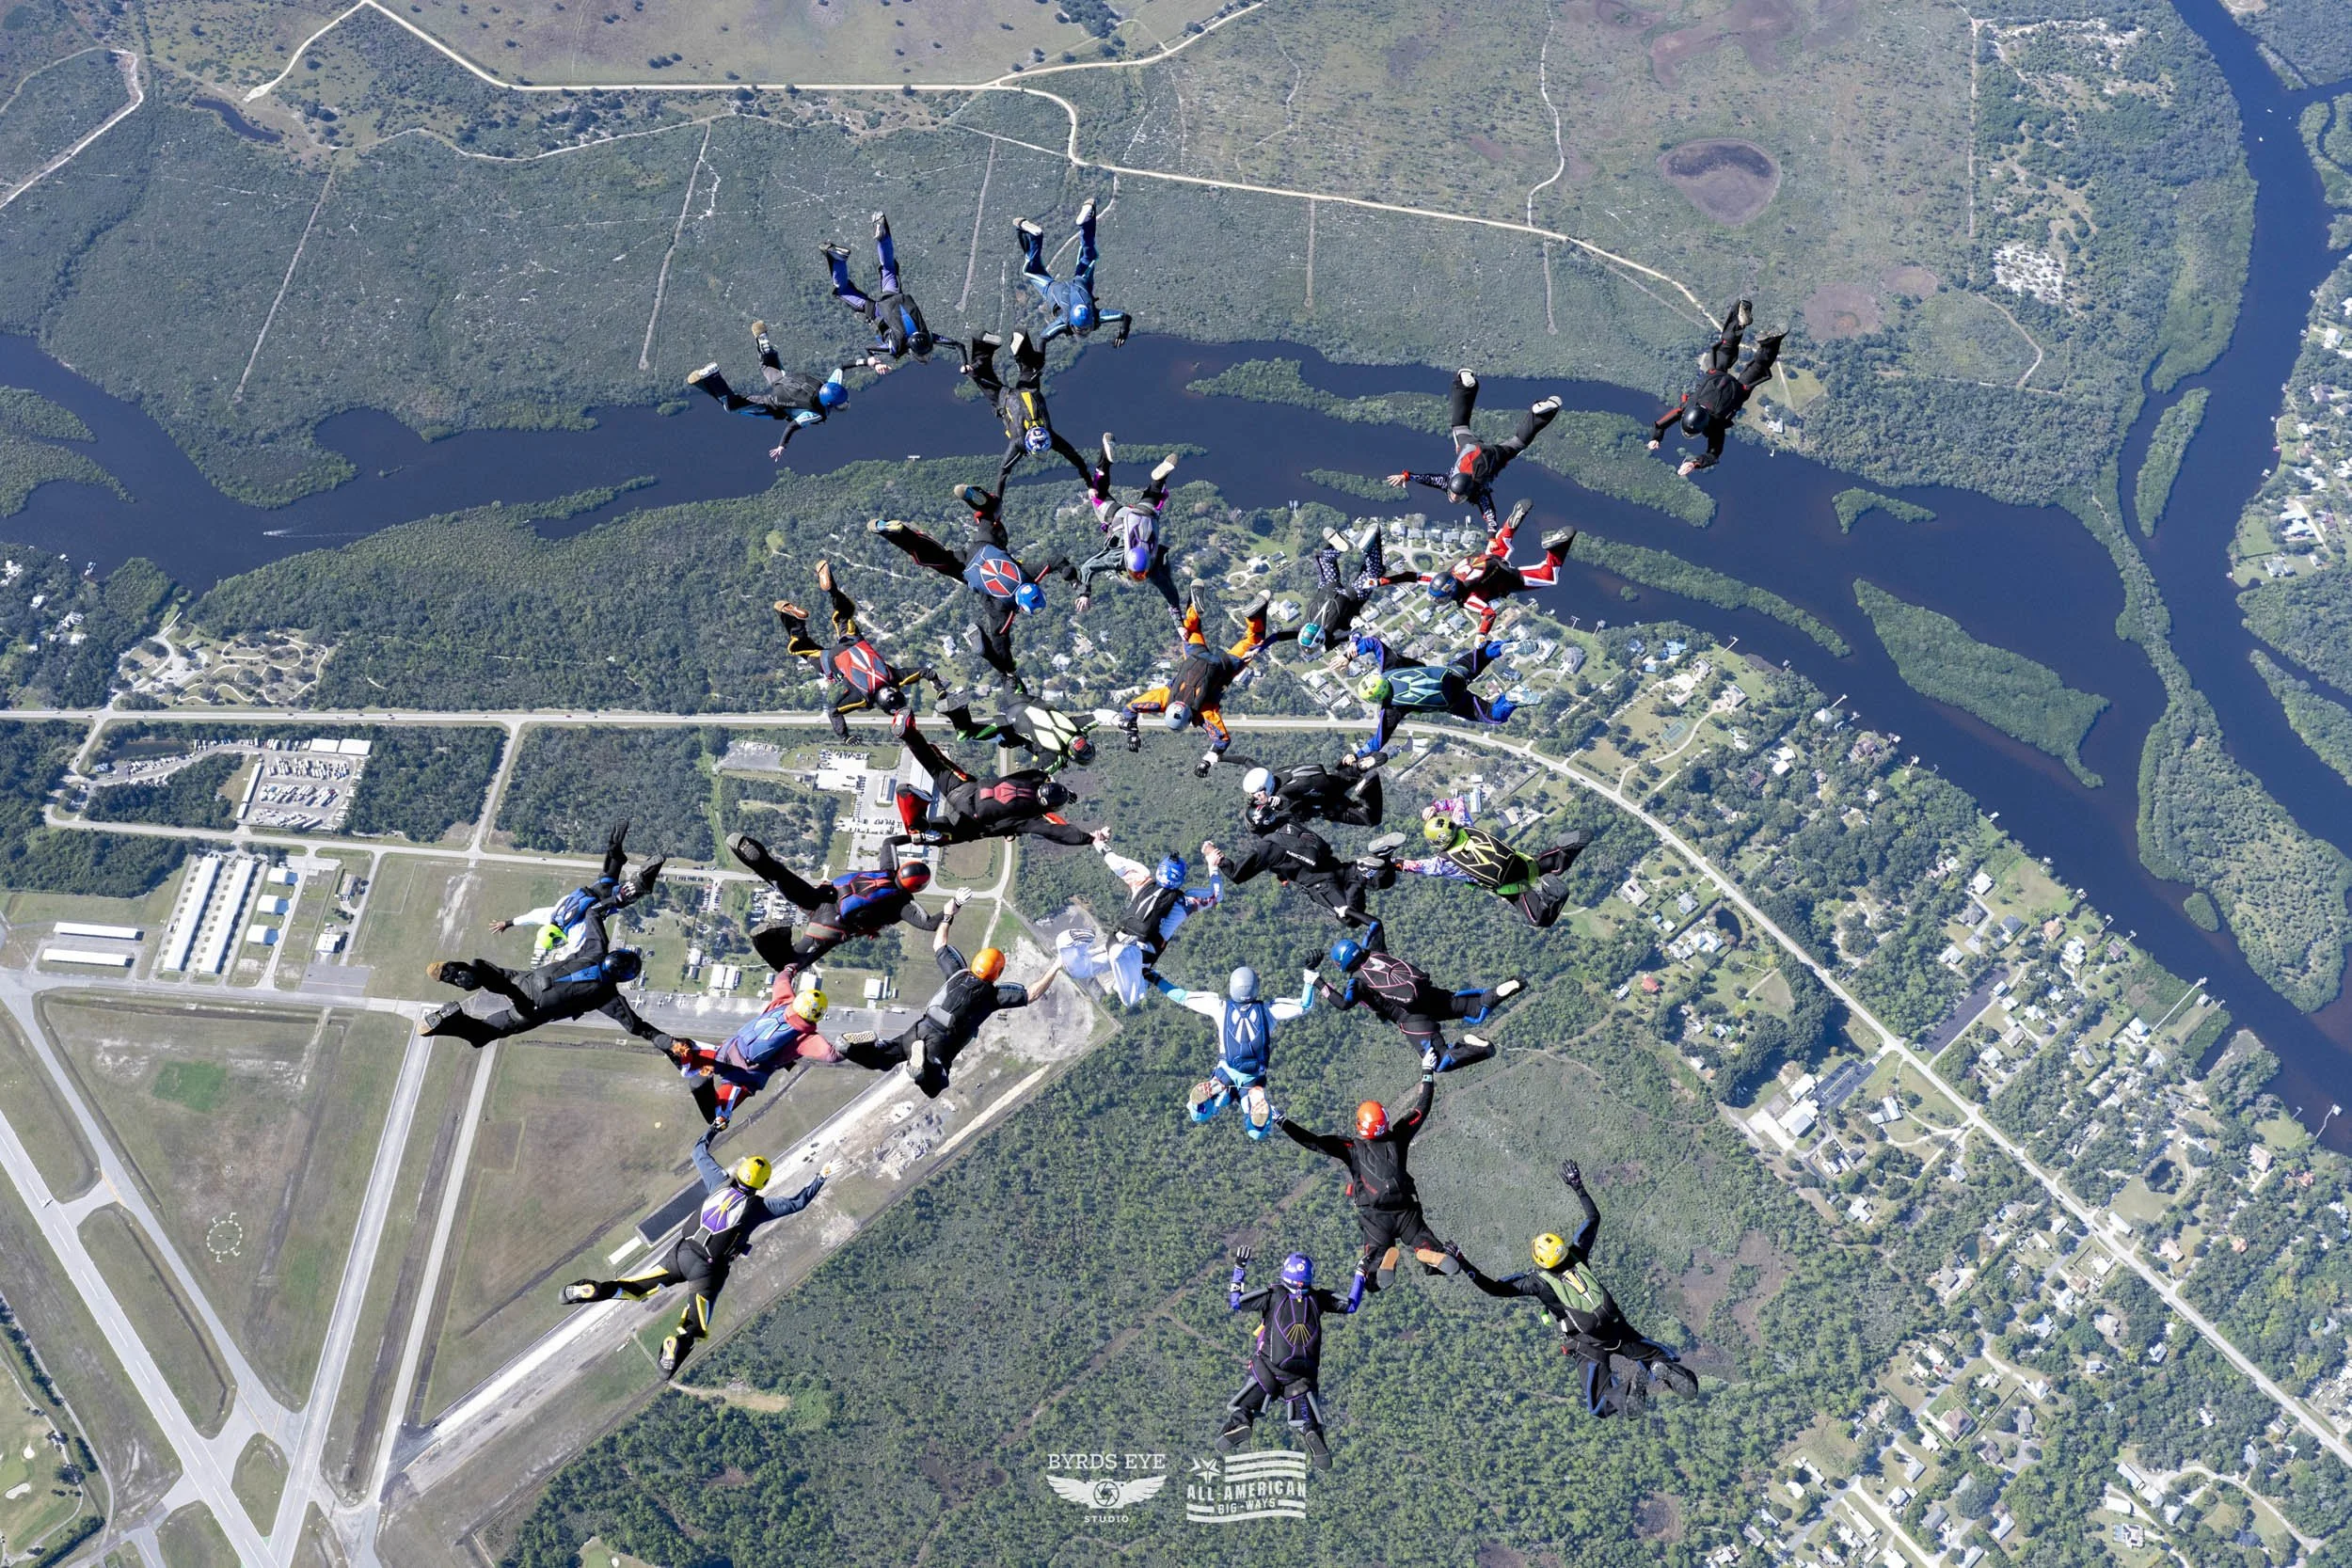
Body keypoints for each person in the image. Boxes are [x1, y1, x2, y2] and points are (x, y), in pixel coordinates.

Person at [561, 1130, 830, 1376]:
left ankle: (596, 1290)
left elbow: (698, 1152)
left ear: (741, 1170)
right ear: (763, 1183)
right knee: (696, 1326)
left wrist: (714, 1128)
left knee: (636, 1287)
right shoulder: (758, 1208)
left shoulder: (719, 1183)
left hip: (681, 1252)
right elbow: (798, 1202)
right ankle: (677, 1342)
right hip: (707, 1269)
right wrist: (821, 1177)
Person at [1454, 1160, 1701, 1417]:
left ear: (1540, 1261)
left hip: (1586, 1343)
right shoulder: (1577, 1254)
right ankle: (1661, 1367)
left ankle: (1628, 1392)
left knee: (1598, 1404)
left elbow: (1495, 1289)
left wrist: (1463, 1263)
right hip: (1616, 1326)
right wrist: (1577, 1186)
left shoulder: (1537, 1283)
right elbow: (1593, 1218)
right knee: (1653, 1354)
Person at [838, 904, 1060, 1097]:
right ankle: (921, 1067)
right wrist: (1057, 966)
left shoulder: (958, 973)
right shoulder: (993, 996)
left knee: (885, 1058)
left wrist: (947, 916)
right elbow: (1031, 994)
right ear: (997, 973)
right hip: (939, 1042)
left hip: (920, 1028)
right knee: (935, 1085)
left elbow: (940, 945)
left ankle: (851, 1048)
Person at [1275, 1071, 1463, 1292]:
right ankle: (1426, 1252)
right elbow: (1421, 1109)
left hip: (1375, 1217)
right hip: (1406, 1211)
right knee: (1426, 1243)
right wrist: (1427, 1075)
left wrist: (1282, 1121)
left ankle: (1383, 1257)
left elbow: (1314, 1142)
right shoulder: (1399, 1136)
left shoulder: (1351, 1148)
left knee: (1373, 1278)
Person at [869, 484, 1068, 694]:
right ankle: (900, 535)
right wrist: (1008, 669)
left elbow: (1054, 561)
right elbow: (1000, 643)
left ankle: (974, 497)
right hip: (965, 569)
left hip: (984, 546)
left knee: (992, 511)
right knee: (935, 557)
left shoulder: (1030, 575)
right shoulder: (1003, 611)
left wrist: (1074, 580)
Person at [421, 903, 675, 1053]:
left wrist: (621, 893)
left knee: (497, 976)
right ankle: (450, 1023)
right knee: (482, 1034)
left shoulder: (596, 949)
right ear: (625, 976)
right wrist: (668, 1043)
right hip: (530, 1011)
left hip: (526, 982)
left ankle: (473, 972)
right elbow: (635, 1026)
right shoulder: (608, 996)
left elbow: (593, 914)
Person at [672, 969, 873, 1130]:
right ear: (817, 1016)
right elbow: (830, 1055)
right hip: (746, 1075)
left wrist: (791, 968)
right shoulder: (803, 1037)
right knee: (720, 1114)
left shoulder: (784, 1001)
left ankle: (686, 1055)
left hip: (726, 1052)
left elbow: (781, 979)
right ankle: (705, 1088)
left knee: (697, 1057)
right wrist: (843, 1047)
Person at [1217, 1248, 1362, 1467]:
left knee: (1244, 1406)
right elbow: (1351, 1305)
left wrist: (1239, 1267)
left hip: (1269, 1369)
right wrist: (1360, 1273)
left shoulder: (1273, 1293)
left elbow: (1236, 1302)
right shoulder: (1318, 1297)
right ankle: (1310, 1430)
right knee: (1307, 1416)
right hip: (1301, 1378)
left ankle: (1240, 1423)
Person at [728, 833, 958, 971]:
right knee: (794, 962)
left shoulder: (888, 870)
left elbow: (889, 842)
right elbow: (929, 923)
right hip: (832, 925)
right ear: (917, 887)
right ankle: (770, 944)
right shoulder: (903, 904)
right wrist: (953, 907)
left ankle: (748, 853)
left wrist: (916, 837)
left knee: (777, 876)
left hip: (822, 897)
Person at [1118, 594, 1292, 774]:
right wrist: (1131, 733)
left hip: (1223, 666)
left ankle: (1252, 617)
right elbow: (1130, 709)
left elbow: (1222, 740)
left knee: (1255, 639)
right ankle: (1193, 607)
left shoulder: (1202, 712)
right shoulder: (1164, 698)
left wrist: (1206, 762)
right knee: (1190, 630)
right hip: (1195, 655)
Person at [775, 561, 945, 736]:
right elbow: (834, 710)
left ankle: (831, 589)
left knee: (844, 613)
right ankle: (788, 616)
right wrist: (844, 736)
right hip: (831, 661)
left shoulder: (896, 679)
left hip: (853, 642)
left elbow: (926, 672)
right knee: (803, 647)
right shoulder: (863, 698)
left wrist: (940, 688)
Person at [1317, 931, 1523, 1073]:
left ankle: (1477, 1047)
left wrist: (1318, 982)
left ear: (1341, 965)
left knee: (1440, 1061)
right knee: (1475, 1006)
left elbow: (1343, 1004)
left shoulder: (1356, 982)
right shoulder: (1375, 951)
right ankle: (1501, 990)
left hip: (1411, 1019)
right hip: (1426, 995)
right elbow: (1375, 924)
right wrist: (1347, 911)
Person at [1386, 369, 1562, 529]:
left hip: (1495, 455)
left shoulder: (1477, 493)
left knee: (1518, 443)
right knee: (1459, 425)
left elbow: (1489, 513)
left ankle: (1540, 414)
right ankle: (1464, 385)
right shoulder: (1448, 482)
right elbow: (1429, 479)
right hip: (1470, 447)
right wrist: (1407, 476)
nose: (1455, 498)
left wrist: (1493, 534)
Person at [1154, 964, 1314, 1139]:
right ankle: (1256, 1112)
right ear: (1256, 988)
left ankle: (1202, 1103)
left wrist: (1154, 978)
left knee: (1198, 1116)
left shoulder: (1220, 1007)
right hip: (1252, 1080)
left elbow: (1182, 996)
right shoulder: (1268, 1011)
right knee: (1257, 1134)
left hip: (1225, 1073)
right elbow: (1305, 1005)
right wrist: (1310, 976)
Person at [1057, 841, 1223, 1007]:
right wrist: (1212, 864)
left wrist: (1100, 844)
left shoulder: (1142, 881)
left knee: (1078, 970)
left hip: (1116, 940)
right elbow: (1216, 895)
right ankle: (1138, 973)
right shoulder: (1185, 901)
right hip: (1136, 955)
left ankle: (1068, 945)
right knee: (1132, 999)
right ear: (1181, 879)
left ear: (1159, 871)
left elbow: (1117, 864)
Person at [895, 719, 1098, 847]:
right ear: (1049, 808)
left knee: (934, 763)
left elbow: (1045, 778)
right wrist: (1089, 838)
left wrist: (1066, 793)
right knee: (943, 833)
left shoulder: (1034, 777)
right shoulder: (1030, 817)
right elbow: (1056, 831)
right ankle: (919, 824)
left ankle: (909, 734)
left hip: (967, 788)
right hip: (971, 818)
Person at [1404, 795, 1591, 928]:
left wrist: (1390, 861)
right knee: (1550, 865)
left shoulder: (1443, 863)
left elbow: (1413, 866)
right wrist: (1436, 806)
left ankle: (1552, 896)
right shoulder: (1463, 825)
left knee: (1541, 919)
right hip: (1519, 862)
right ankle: (1564, 850)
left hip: (1512, 887)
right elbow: (1458, 801)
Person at [488, 820, 664, 961]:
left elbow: (576, 950)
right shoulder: (550, 915)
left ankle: (644, 875)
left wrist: (571, 961)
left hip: (610, 899)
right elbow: (530, 917)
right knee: (611, 869)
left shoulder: (573, 932)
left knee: (640, 889)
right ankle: (614, 850)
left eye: (556, 941)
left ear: (555, 935)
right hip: (596, 887)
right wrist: (508, 923)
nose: (559, 942)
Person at [1649, 299, 1785, 476]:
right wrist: (1655, 438)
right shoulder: (1686, 408)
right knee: (1726, 346)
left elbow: (1714, 454)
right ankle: (1739, 320)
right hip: (1716, 374)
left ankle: (1771, 342)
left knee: (1759, 367)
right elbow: (1660, 425)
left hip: (1738, 389)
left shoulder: (1715, 428)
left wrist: (1695, 463)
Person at [686, 321, 852, 460]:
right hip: (774, 405)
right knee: (733, 406)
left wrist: (870, 362)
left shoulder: (831, 385)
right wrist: (782, 446)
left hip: (786, 383)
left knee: (768, 365)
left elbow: (842, 367)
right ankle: (714, 376)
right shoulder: (817, 414)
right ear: (831, 404)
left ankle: (762, 340)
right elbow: (792, 426)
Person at [1200, 822, 1400, 932]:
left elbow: (1236, 875)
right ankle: (1380, 859)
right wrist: (1282, 874)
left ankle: (1367, 909)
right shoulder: (1286, 825)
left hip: (1320, 884)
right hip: (1335, 867)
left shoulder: (1266, 848)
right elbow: (1288, 855)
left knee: (1350, 919)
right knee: (1384, 881)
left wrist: (1215, 856)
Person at [1422, 499, 1576, 636]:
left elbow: (1488, 613)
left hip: (1505, 579)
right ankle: (1512, 521)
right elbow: (1418, 576)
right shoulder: (1453, 571)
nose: (1441, 601)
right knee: (1501, 541)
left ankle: (1555, 549)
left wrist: (1482, 634)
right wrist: (1398, 578)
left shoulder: (1467, 598)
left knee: (1548, 577)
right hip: (1488, 559)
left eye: (1442, 599)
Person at [1348, 634, 1520, 755]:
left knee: (1494, 715)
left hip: (1457, 702)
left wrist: (1358, 754)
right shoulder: (1390, 667)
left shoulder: (1392, 709)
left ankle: (1513, 699)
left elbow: (1378, 741)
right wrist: (1352, 650)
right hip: (1454, 673)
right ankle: (1504, 646)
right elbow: (1374, 643)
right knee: (1482, 653)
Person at [823, 213, 953, 371]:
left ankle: (883, 235)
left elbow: (956, 344)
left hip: (895, 297)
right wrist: (874, 362)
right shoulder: (894, 348)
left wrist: (966, 363)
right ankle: (836, 260)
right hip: (875, 311)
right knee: (843, 291)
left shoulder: (928, 336)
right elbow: (868, 348)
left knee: (889, 268)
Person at [1073, 436, 1184, 617]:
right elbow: (1087, 567)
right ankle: (1106, 460)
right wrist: (1084, 594)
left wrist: (1177, 615)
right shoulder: (1125, 562)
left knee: (1153, 495)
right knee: (1098, 493)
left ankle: (1159, 480)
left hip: (1142, 515)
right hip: (1117, 519)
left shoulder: (1150, 567)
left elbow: (1171, 594)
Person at [962, 330, 1092, 484]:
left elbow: (1075, 457)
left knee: (1031, 366)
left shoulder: (1050, 436)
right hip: (1005, 398)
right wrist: (998, 499)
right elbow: (1003, 471)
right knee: (981, 376)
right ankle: (984, 344)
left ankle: (1020, 342)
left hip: (1027, 391)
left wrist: (1088, 480)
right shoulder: (1019, 443)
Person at [1018, 198, 1133, 346]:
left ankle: (1087, 220)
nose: (1085, 331)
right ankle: (1033, 236)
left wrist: (1123, 334)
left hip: (1080, 282)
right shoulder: (1065, 321)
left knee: (1089, 254)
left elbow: (1125, 317)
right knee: (1032, 270)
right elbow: (1043, 338)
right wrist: (1038, 362)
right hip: (1054, 289)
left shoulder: (1094, 317)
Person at [1297, 525, 1416, 655]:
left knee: (1373, 574)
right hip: (1329, 589)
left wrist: (1352, 646)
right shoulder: (1303, 628)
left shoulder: (1332, 638)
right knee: (1325, 561)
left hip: (1349, 598)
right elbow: (1278, 636)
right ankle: (1337, 549)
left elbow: (1355, 634)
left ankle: (1370, 548)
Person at [941, 691, 1098, 774]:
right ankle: (956, 711)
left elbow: (1100, 716)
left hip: (1024, 704)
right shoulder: (1053, 758)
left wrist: (1121, 722)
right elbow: (1038, 778)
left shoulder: (1076, 726)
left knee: (1007, 672)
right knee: (966, 734)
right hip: (1010, 730)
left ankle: (996, 642)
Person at [1238, 758, 1383, 832]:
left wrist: (1273, 802)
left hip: (1329, 806)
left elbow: (1290, 806)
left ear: (1265, 788)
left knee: (1371, 819)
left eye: (1256, 794)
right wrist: (1219, 758)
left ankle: (1365, 790)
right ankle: (1355, 767)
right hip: (1328, 782)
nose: (1255, 797)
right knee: (1345, 777)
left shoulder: (1280, 797)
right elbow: (1246, 760)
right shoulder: (1273, 775)